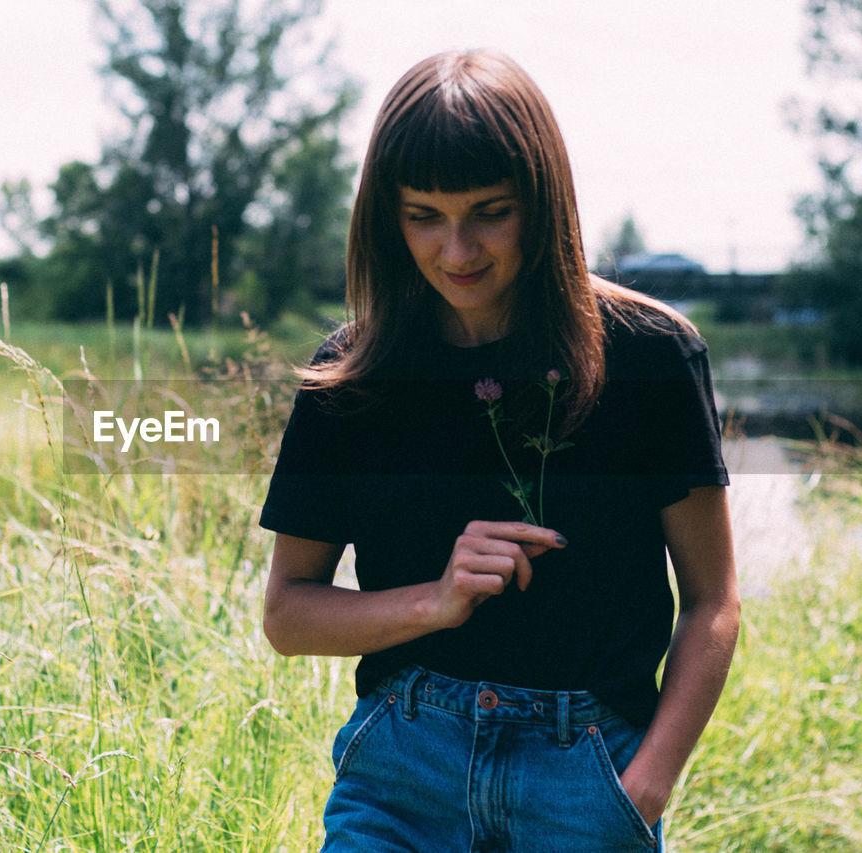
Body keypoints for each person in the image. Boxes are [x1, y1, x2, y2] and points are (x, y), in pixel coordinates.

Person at [259, 49, 740, 852]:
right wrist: (435, 599)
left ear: (543, 202)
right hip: (401, 778)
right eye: (423, 215)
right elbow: (288, 614)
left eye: (489, 211)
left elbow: (711, 602)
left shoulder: (652, 357)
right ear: (387, 215)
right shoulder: (349, 376)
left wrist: (643, 787)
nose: (457, 250)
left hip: (585, 778)